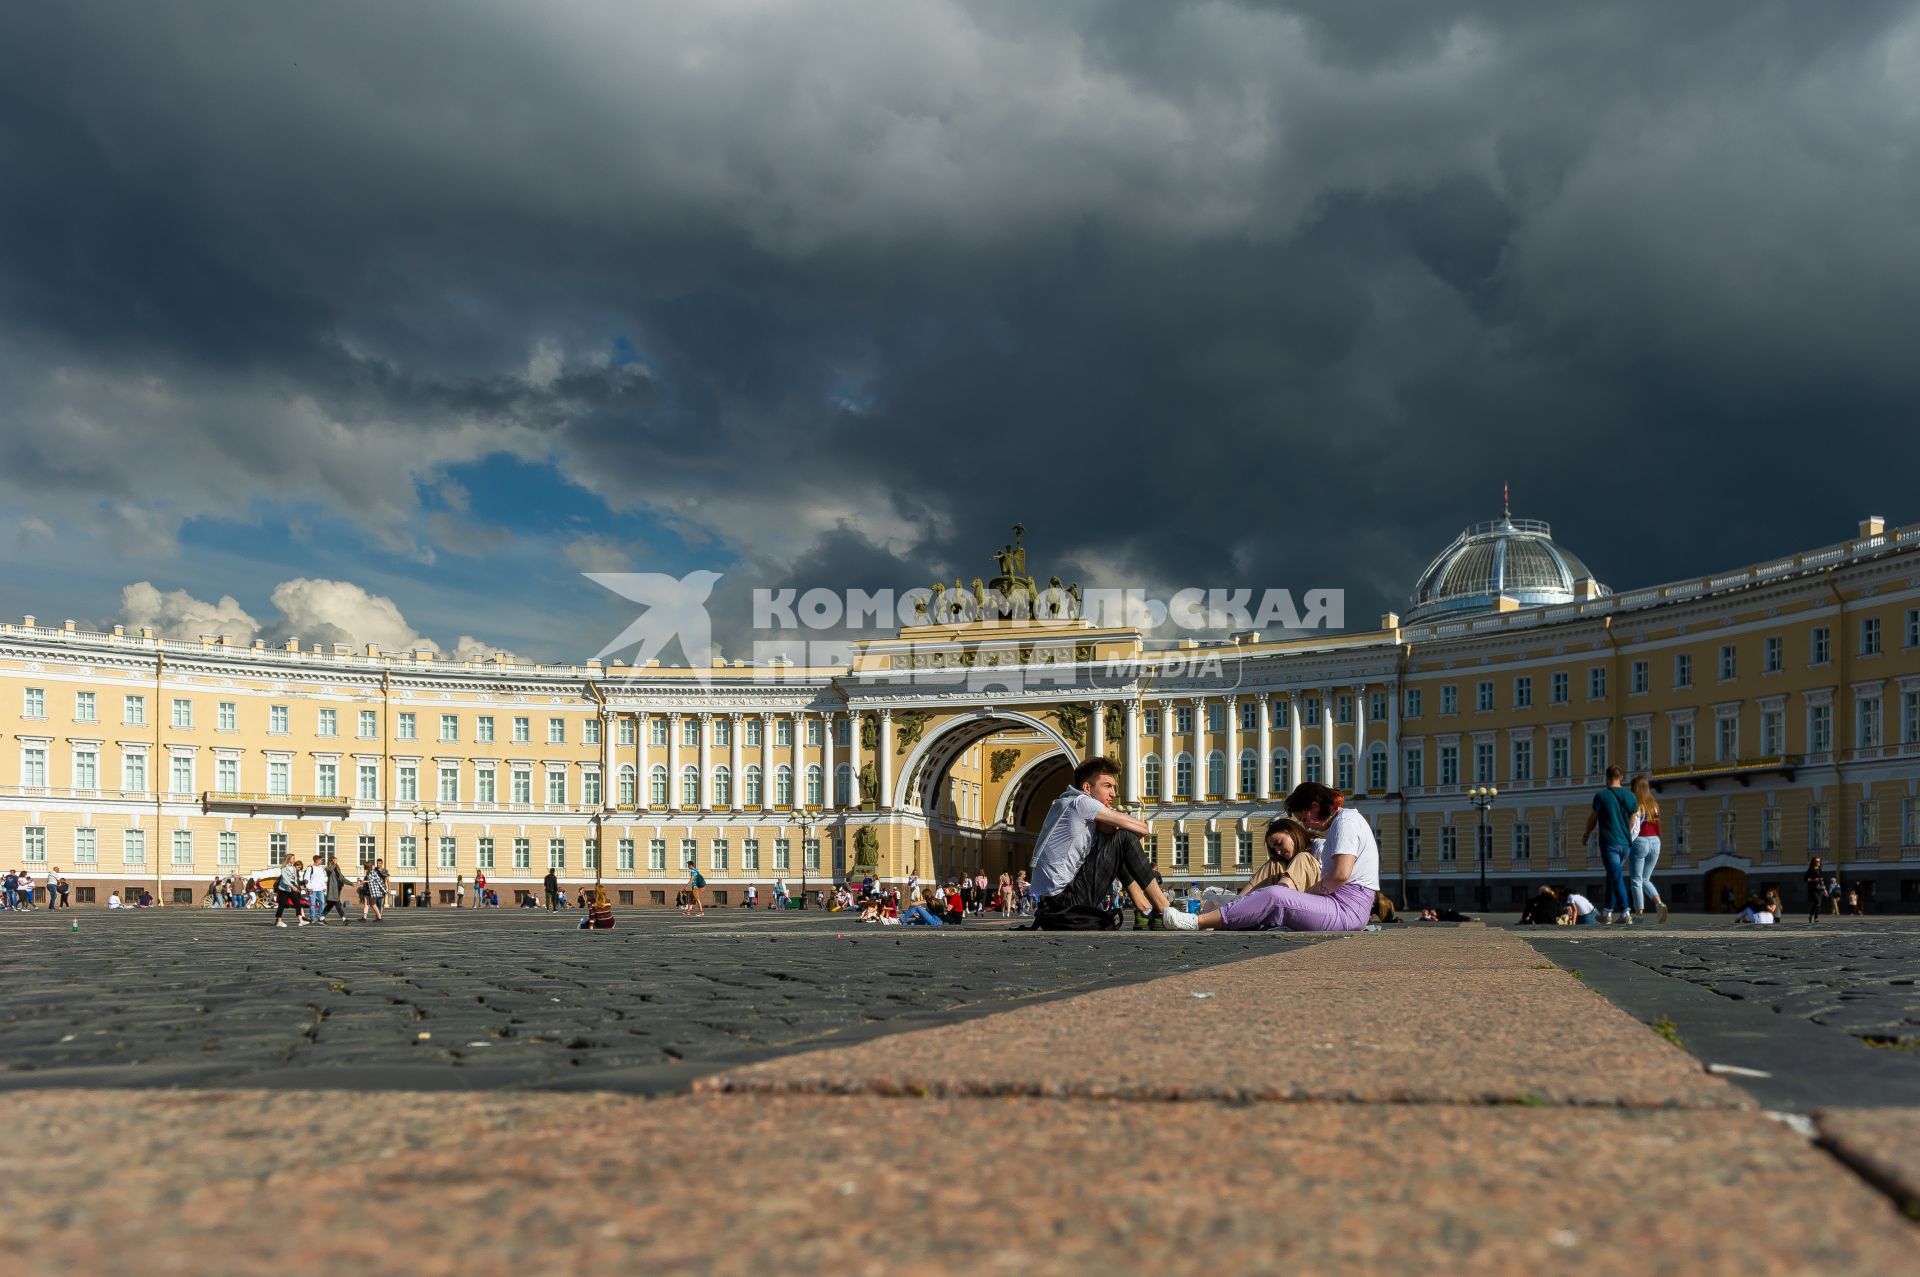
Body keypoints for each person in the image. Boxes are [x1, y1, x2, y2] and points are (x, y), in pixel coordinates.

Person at [1165, 784, 1377, 933]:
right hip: (1345, 907)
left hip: (1346, 910)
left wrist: (1309, 894)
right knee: (1273, 908)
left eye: (1303, 818)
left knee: (1276, 896)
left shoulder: (1345, 822)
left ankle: (1196, 922)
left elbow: (1340, 875)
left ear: (1314, 807)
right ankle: (1220, 916)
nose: (1305, 825)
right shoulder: (1344, 822)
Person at [1028, 756, 1175, 930]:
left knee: (1117, 842)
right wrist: (1116, 823)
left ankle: (1144, 909)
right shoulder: (1083, 803)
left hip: (1052, 905)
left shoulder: (1067, 802)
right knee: (1124, 838)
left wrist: (1110, 827)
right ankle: (1165, 910)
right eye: (1107, 786)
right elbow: (1143, 829)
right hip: (1066, 903)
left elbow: (1109, 842)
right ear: (1087, 788)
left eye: (1114, 787)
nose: (1113, 793)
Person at [1581, 765, 1637, 925]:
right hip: (1625, 844)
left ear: (1607, 777)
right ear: (1622, 777)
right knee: (1613, 875)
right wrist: (1626, 832)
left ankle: (1626, 912)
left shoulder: (1601, 796)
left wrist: (1586, 834)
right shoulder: (1631, 796)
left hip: (1609, 843)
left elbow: (1592, 819)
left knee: (1616, 875)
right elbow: (1633, 819)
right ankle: (1607, 912)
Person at [1627, 775, 1667, 923]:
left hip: (1640, 842)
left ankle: (1639, 915)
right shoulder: (1654, 804)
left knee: (1636, 879)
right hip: (1656, 841)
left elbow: (1633, 824)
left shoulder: (1637, 804)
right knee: (1645, 878)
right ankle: (1659, 904)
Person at [273, 858, 304, 928]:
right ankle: (279, 921)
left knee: (297, 902)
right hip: (283, 888)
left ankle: (301, 920)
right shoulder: (284, 868)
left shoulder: (293, 868)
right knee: (282, 905)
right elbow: (285, 880)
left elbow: (295, 880)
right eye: (293, 858)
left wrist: (298, 886)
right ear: (289, 859)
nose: (294, 859)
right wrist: (293, 886)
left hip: (290, 888)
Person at [325, 855, 350, 923]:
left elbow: (341, 878)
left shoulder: (337, 868)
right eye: (334, 860)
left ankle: (321, 917)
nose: (335, 862)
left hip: (338, 888)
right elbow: (330, 870)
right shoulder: (327, 868)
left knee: (330, 905)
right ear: (331, 861)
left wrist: (350, 883)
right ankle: (344, 919)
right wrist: (334, 864)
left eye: (336, 860)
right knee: (337, 904)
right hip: (332, 889)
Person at [305, 857, 329, 926]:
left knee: (322, 902)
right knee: (312, 904)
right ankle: (312, 918)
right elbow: (306, 878)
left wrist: (324, 886)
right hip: (312, 889)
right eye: (321, 860)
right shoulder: (310, 868)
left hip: (320, 889)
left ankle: (320, 918)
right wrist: (308, 887)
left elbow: (323, 878)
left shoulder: (321, 868)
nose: (322, 861)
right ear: (317, 860)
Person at [1804, 855, 1826, 925]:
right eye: (1817, 861)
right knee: (1817, 902)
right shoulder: (1810, 870)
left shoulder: (1820, 869)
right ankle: (1811, 916)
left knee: (1818, 904)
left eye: (1819, 861)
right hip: (1813, 888)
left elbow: (1822, 880)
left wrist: (1825, 889)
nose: (1818, 862)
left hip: (1820, 888)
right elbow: (1806, 879)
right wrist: (1814, 880)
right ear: (1814, 862)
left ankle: (1816, 917)